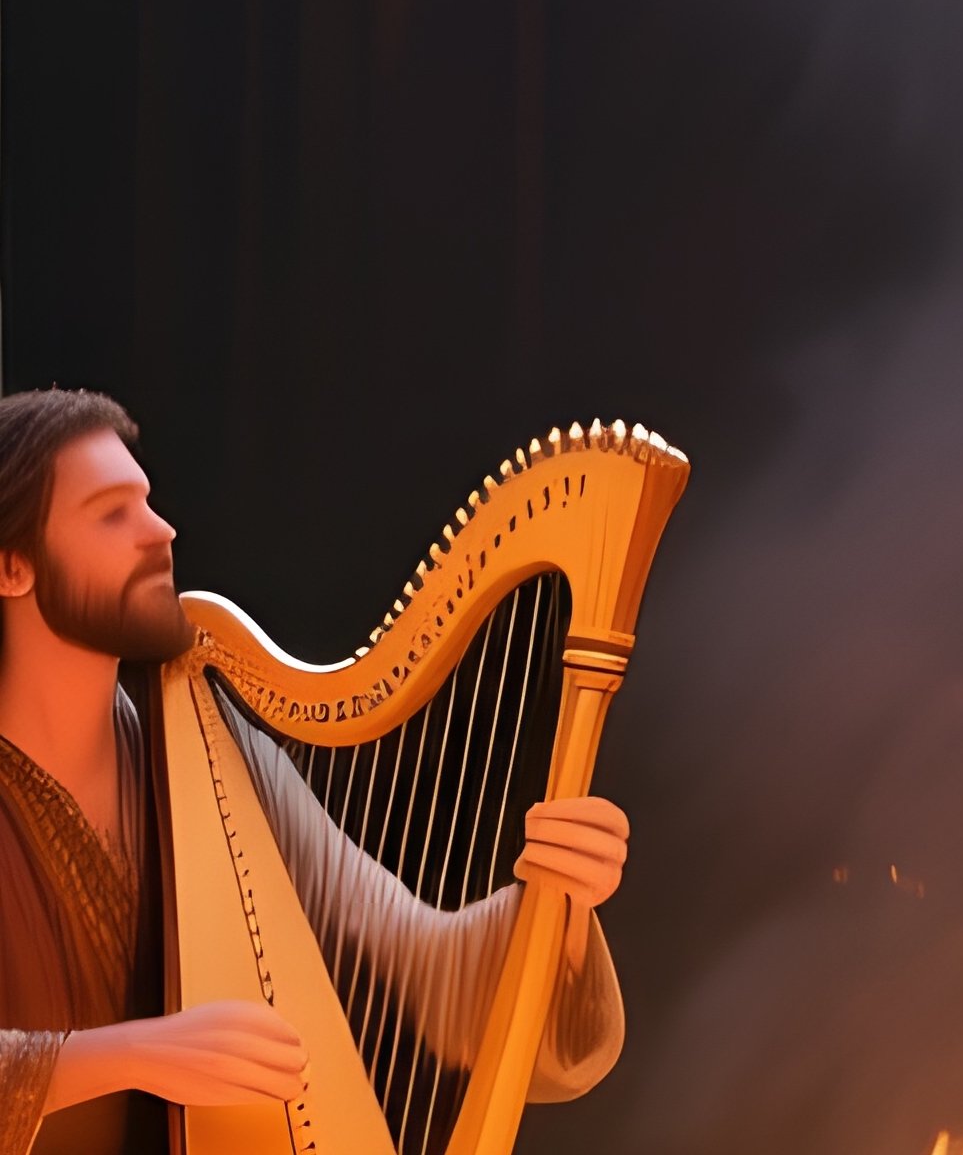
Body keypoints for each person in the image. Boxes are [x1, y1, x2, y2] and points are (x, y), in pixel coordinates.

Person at [0, 390, 632, 1155]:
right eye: (112, 514)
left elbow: (430, 967)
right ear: (12, 567)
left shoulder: (207, 750)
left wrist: (558, 903)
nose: (162, 530)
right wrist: (133, 1053)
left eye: (148, 502)